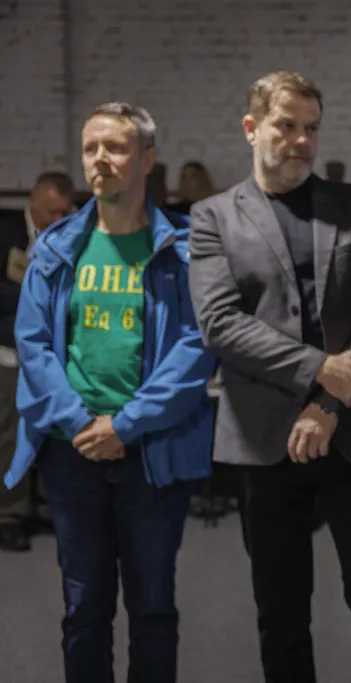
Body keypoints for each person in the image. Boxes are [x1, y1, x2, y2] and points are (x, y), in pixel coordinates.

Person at [188, 70, 351, 683]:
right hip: (265, 438)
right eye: (286, 126)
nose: (302, 141)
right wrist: (320, 370)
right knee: (281, 612)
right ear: (251, 128)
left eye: (311, 128)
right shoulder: (212, 217)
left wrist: (330, 403)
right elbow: (219, 323)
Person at [2, 102, 215, 683]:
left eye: (116, 147)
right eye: (91, 148)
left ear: (147, 158)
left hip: (152, 451)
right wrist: (79, 423)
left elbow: (197, 346)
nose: (100, 159)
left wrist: (126, 425)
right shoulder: (56, 248)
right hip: (72, 454)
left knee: (153, 608)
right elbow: (33, 343)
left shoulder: (184, 249)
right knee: (84, 609)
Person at [0, 171, 74, 551]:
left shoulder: (70, 235)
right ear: (32, 200)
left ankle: (43, 504)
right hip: (8, 351)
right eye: (51, 212)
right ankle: (10, 514)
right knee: (10, 434)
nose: (57, 219)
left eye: (63, 212)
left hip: (51, 354)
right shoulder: (6, 231)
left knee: (50, 430)